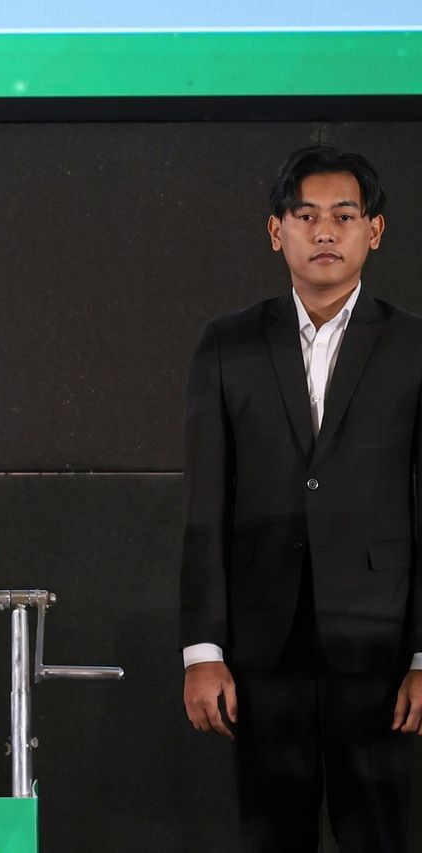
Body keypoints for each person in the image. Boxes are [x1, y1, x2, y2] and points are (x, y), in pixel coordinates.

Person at [180, 145, 422, 851]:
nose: (324, 232)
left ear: (374, 230)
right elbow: (204, 505)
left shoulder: (413, 345)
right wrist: (202, 649)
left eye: (344, 216)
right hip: (261, 651)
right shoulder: (226, 343)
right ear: (275, 230)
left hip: (379, 649)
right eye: (306, 215)